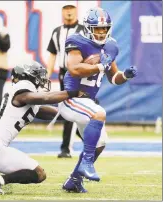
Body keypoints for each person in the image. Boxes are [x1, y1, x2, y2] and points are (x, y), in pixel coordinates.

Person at [0, 60, 84, 195]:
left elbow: (49, 111)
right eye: (38, 75)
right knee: (39, 174)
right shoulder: (23, 88)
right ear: (28, 76)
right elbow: (46, 98)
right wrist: (73, 92)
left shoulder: (27, 99)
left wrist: (78, 111)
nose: (42, 80)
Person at [59, 7, 137, 193]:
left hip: (87, 102)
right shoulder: (76, 41)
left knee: (100, 143)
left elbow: (113, 77)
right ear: (88, 28)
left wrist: (124, 75)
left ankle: (74, 181)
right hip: (72, 98)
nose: (101, 32)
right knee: (99, 113)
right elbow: (74, 69)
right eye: (98, 28)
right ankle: (86, 162)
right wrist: (101, 66)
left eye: (104, 28)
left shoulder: (111, 45)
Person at [47, 2, 84, 158]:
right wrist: (47, 76)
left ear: (76, 11)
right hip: (64, 74)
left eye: (71, 9)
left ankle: (67, 148)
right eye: (66, 9)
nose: (69, 12)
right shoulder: (57, 32)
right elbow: (52, 55)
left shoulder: (83, 31)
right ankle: (90, 140)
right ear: (62, 12)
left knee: (74, 110)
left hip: (80, 73)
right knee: (68, 110)